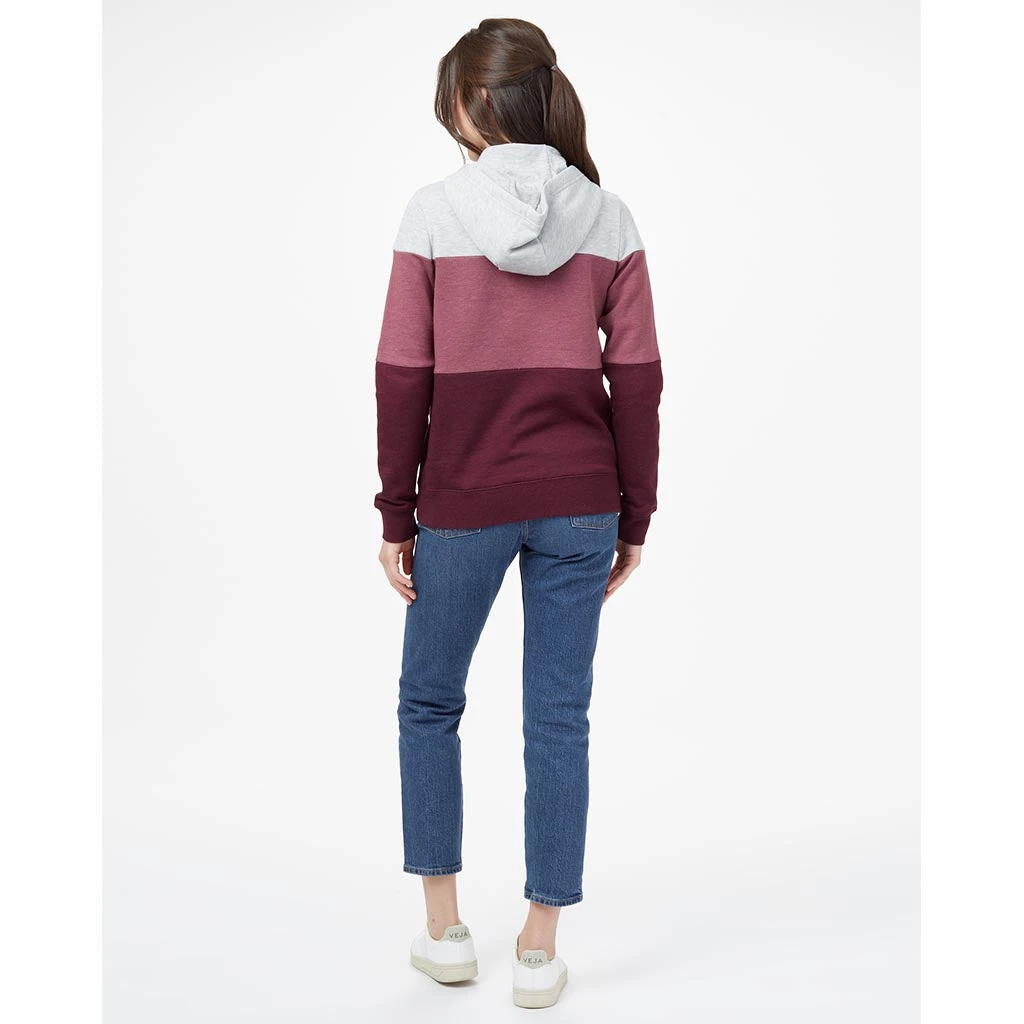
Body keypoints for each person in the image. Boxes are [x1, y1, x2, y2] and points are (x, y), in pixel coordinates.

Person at [373, 17, 663, 1009]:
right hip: (582, 502)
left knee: (429, 702)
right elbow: (638, 381)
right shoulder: (609, 218)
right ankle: (539, 947)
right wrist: (634, 515)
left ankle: (444, 932)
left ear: (473, 104)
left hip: (463, 498)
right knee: (558, 718)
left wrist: (396, 512)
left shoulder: (432, 212)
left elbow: (400, 375)